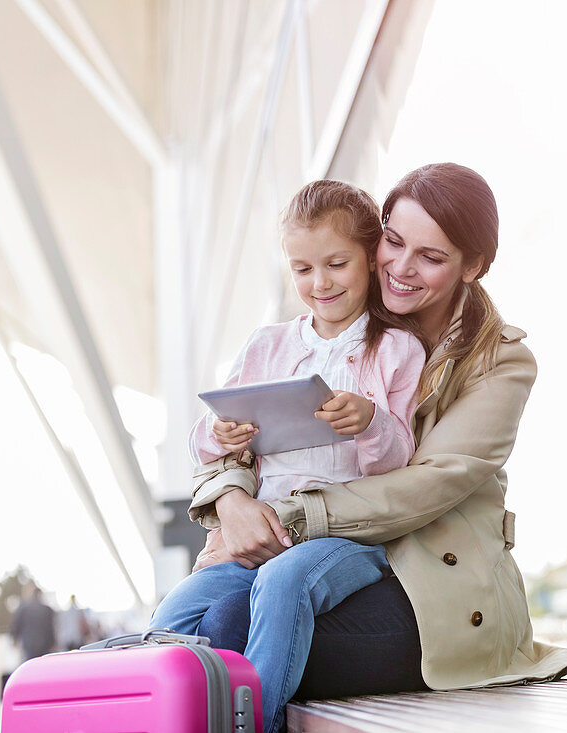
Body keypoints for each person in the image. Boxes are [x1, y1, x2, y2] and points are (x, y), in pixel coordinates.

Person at [188, 163, 567, 722]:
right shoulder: (323, 336)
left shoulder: (500, 362)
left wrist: (286, 516)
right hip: (317, 555)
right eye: (393, 242)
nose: (401, 267)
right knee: (209, 617)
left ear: (474, 266)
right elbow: (240, 432)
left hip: (431, 580)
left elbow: (427, 485)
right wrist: (232, 501)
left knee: (228, 626)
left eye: (432, 257)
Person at [149, 180, 427, 733]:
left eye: (336, 264)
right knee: (174, 614)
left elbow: (401, 466)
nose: (319, 283)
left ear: (371, 260)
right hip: (262, 534)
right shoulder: (266, 347)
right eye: (302, 269)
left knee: (283, 584)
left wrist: (370, 423)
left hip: (348, 538)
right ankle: (156, 715)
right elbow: (203, 444)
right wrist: (221, 433)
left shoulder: (396, 350)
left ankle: (257, 723)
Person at [10, 583, 56, 661]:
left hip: (29, 643)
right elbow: (51, 628)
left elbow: (17, 624)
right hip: (45, 644)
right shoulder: (47, 609)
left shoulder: (24, 608)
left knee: (30, 663)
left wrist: (14, 638)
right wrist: (53, 643)